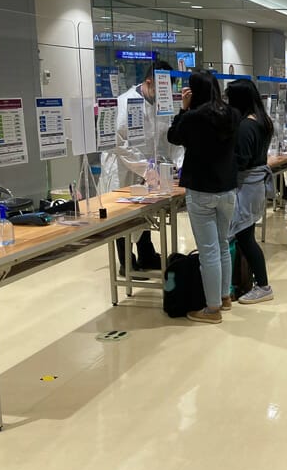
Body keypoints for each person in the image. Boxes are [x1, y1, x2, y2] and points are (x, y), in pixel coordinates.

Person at [167, 70, 240, 324]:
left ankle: (212, 309)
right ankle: (225, 297)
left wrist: (183, 109)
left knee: (208, 250)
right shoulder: (232, 115)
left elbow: (173, 136)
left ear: (193, 92)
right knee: (222, 245)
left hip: (201, 190)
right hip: (228, 189)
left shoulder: (194, 118)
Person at [101, 60, 184, 275]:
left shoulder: (162, 103)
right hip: (124, 168)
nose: (164, 94)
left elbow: (170, 138)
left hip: (150, 169)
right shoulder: (125, 102)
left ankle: (147, 255)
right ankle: (125, 262)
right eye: (161, 88)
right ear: (149, 82)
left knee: (146, 212)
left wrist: (177, 165)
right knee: (123, 214)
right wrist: (145, 168)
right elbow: (118, 142)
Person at [226, 79, 275, 305]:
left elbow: (241, 161)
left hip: (246, 186)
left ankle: (263, 285)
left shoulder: (246, 125)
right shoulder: (262, 120)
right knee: (246, 236)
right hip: (254, 185)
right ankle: (247, 282)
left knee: (246, 238)